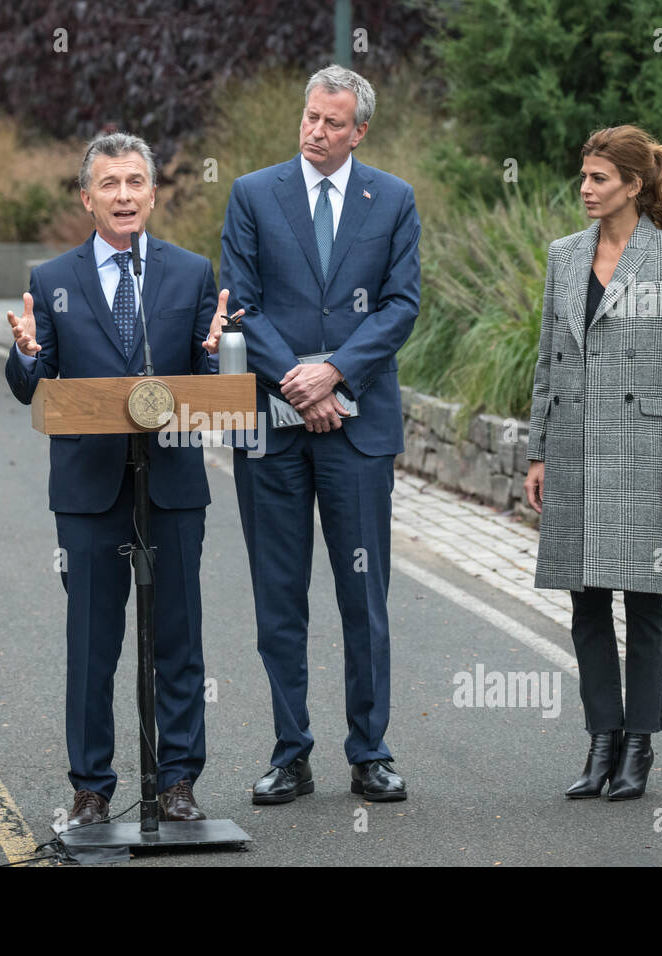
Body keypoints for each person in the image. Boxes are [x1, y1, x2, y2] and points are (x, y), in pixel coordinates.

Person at [5, 132, 230, 827]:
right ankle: (92, 787)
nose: (125, 195)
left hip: (171, 487)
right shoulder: (52, 280)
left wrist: (218, 356)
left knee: (178, 640)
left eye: (137, 182)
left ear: (154, 195)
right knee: (92, 644)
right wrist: (26, 355)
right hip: (89, 489)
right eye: (111, 184)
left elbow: (206, 384)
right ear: (87, 198)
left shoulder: (191, 273)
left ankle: (178, 781)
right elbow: (31, 386)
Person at [220, 65, 420, 805]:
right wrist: (298, 384)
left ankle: (370, 752)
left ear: (359, 129)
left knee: (363, 596)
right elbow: (238, 301)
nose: (316, 131)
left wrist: (334, 374)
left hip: (358, 431)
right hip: (272, 431)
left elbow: (400, 306)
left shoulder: (393, 199)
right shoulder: (253, 193)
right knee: (280, 597)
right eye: (310, 117)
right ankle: (290, 753)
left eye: (333, 122)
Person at [523, 125, 662, 801]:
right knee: (585, 598)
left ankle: (639, 744)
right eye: (584, 176)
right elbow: (547, 359)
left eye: (600, 178)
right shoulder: (563, 256)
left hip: (642, 446)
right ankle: (601, 738)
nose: (586, 189)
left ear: (633, 184)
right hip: (572, 441)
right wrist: (537, 449)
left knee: (645, 600)